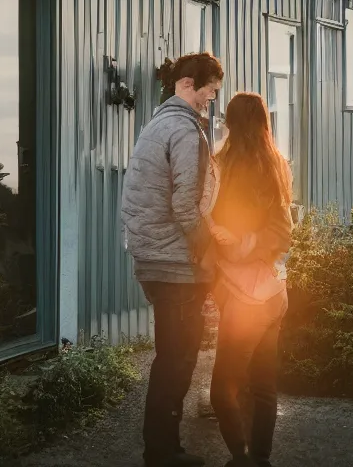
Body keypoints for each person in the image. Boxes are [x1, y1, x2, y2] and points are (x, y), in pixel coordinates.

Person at [121, 53, 224, 467]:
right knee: (176, 360)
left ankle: (165, 447)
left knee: (173, 356)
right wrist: (211, 252)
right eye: (210, 91)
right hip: (174, 263)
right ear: (187, 84)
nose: (211, 101)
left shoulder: (157, 123)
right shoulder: (183, 129)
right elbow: (186, 205)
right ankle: (161, 452)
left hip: (153, 256)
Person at [208, 92, 293, 467]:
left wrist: (237, 246)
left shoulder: (221, 168)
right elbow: (283, 233)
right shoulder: (277, 165)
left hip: (242, 296)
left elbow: (209, 229)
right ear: (264, 123)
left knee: (222, 390)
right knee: (262, 386)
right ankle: (260, 459)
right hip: (273, 291)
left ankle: (242, 457)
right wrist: (256, 245)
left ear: (229, 124)